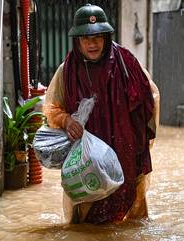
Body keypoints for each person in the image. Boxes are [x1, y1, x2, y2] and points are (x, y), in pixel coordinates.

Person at [43, 4, 160, 224]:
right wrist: (67, 121)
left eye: (98, 36)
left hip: (126, 155)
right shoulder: (66, 71)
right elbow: (51, 108)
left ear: (106, 37)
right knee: (86, 220)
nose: (92, 43)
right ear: (77, 40)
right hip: (87, 162)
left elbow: (151, 99)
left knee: (133, 220)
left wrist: (142, 143)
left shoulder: (127, 64)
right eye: (85, 37)